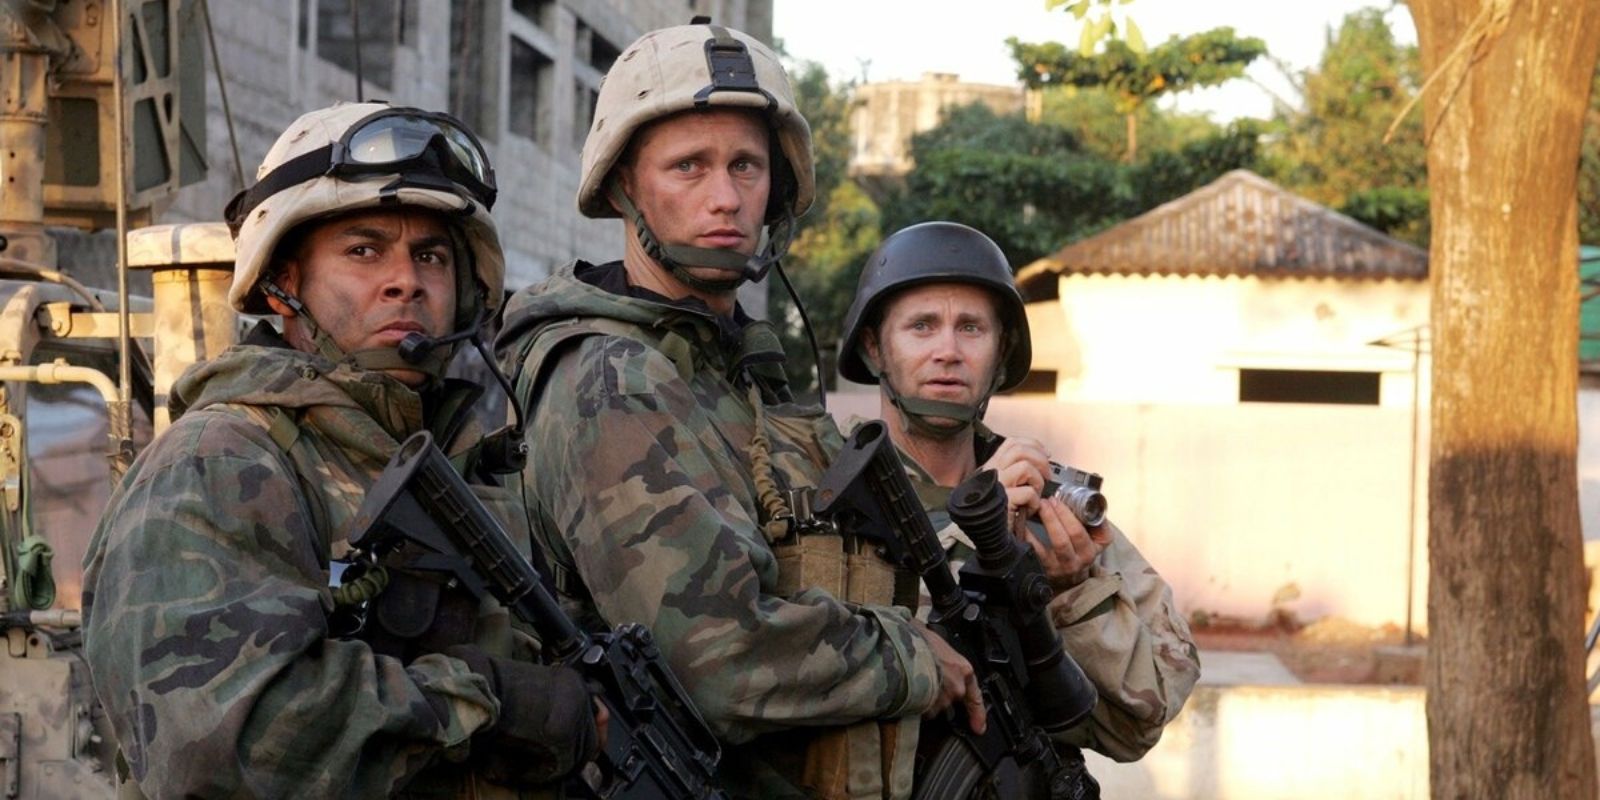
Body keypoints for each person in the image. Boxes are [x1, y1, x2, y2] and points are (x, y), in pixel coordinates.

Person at [497, 22, 980, 800]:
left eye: (746, 167)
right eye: (689, 166)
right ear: (624, 184)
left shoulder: (734, 374)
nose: (725, 198)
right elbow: (714, 656)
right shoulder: (609, 376)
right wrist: (913, 659)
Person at [81, 102, 602, 799]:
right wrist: (493, 703)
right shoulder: (221, 459)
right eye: (364, 250)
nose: (405, 281)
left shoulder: (475, 467)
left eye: (431, 256)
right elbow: (224, 738)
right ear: (283, 281)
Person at [837, 220, 1202, 763]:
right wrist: (979, 533)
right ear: (873, 348)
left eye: (971, 328)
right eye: (921, 326)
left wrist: (1070, 592)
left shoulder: (1048, 503)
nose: (948, 351)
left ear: (1001, 352)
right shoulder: (822, 491)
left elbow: (1142, 718)